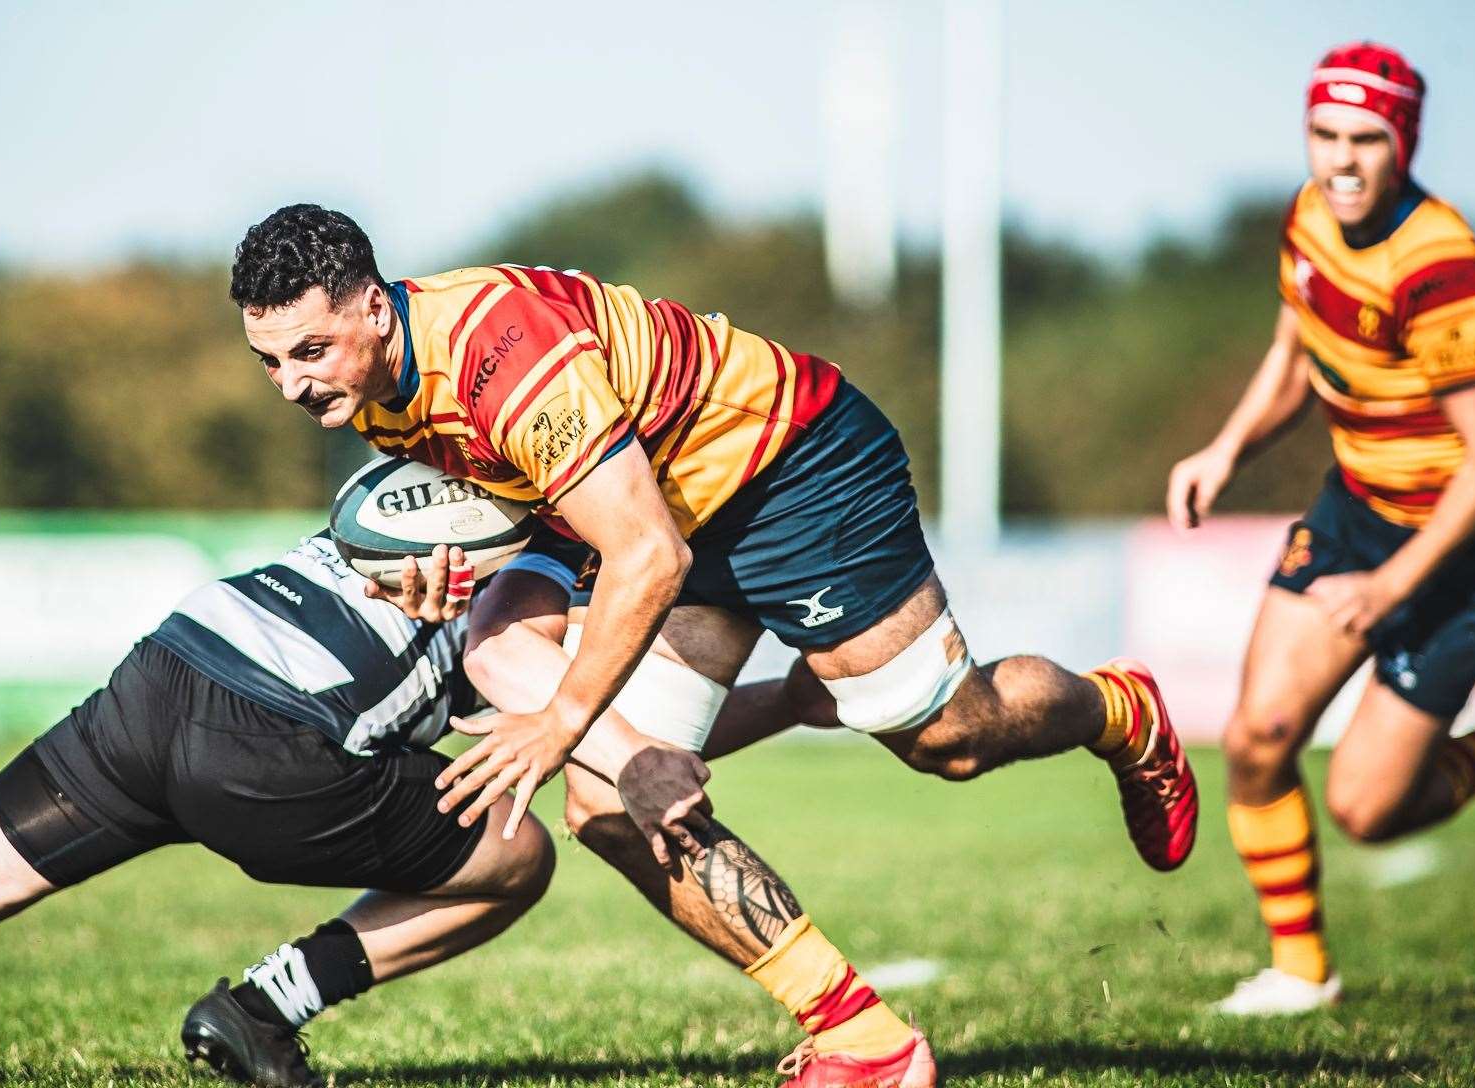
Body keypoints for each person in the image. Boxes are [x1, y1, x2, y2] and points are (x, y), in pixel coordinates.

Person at [227, 205, 1201, 1086]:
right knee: (606, 796)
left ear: (372, 306)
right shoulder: (378, 394)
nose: (291, 383)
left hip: (790, 468)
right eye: (270, 360)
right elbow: (558, 509)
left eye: (310, 348)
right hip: (646, 502)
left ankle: (1119, 709)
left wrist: (565, 716)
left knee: (949, 737)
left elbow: (646, 551)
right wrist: (443, 583)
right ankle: (863, 1037)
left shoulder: (499, 352)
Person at [0, 531, 567, 1088]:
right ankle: (265, 1007)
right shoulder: (570, 522)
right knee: (518, 854)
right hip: (275, 737)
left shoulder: (437, 441)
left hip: (169, 671)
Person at [1164, 42, 1475, 1016]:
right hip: (1355, 512)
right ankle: (1300, 975)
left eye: (1364, 138)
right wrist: (1223, 449)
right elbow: (1296, 353)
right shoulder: (1307, 217)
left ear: (1401, 142)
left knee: (1371, 808)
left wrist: (1393, 586)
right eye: (1323, 134)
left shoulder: (1442, 266)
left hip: (1463, 547)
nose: (1339, 159)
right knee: (1258, 734)